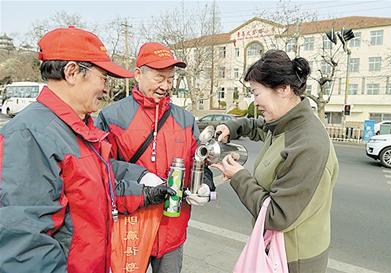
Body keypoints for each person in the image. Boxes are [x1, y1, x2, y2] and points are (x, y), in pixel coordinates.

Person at [0, 27, 175, 273]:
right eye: (103, 77)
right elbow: (26, 247)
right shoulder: (31, 135)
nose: (106, 89)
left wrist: (146, 190)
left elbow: (99, 189)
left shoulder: (77, 128)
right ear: (72, 72)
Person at [213, 50, 339, 273]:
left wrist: (239, 176)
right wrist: (232, 127)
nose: (255, 102)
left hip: (294, 259)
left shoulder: (307, 143)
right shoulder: (286, 123)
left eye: (256, 93)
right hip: (276, 249)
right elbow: (261, 127)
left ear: (283, 89)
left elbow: (277, 216)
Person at [95, 42, 216, 273]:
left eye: (170, 79)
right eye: (159, 78)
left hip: (172, 228)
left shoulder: (186, 119)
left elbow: (198, 162)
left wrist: (205, 185)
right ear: (138, 74)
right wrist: (141, 176)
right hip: (130, 224)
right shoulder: (112, 116)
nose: (166, 86)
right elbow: (102, 166)